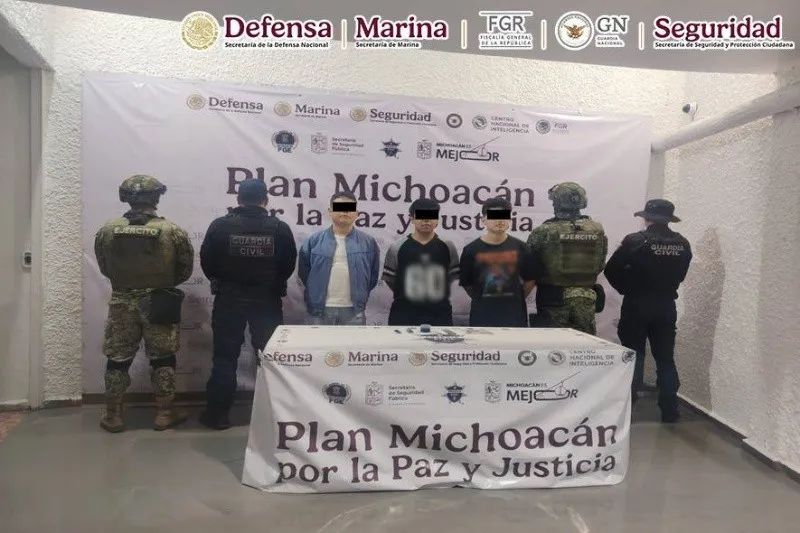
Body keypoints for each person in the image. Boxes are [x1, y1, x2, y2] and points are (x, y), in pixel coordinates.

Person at [94, 175, 194, 433]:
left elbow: (104, 267)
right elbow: (184, 270)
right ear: (156, 197)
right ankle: (164, 413)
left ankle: (113, 415)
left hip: (121, 301)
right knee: (163, 358)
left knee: (117, 359)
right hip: (159, 301)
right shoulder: (172, 231)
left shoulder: (107, 230)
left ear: (125, 197)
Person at [198, 179, 297, 430]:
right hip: (267, 301)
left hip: (229, 300)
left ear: (239, 199)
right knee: (270, 358)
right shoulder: (280, 228)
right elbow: (288, 265)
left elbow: (208, 263)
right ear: (265, 200)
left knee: (225, 358)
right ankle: (275, 417)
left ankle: (218, 415)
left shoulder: (220, 226)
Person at [604, 199, 692, 423]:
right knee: (665, 358)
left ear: (647, 218)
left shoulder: (635, 241)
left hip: (637, 304)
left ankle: (628, 410)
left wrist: (626, 288)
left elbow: (611, 270)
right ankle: (670, 411)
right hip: (666, 306)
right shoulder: (683, 244)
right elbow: (681, 275)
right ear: (669, 219)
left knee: (634, 356)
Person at [527, 182, 607, 334]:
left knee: (554, 345)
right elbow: (600, 264)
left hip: (552, 299)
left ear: (556, 202)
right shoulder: (597, 230)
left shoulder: (543, 231)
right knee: (585, 345)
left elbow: (529, 268)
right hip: (586, 297)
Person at [298, 191, 380, 325]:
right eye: (339, 208)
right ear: (330, 212)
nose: (344, 212)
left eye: (349, 208)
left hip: (354, 311)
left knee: (354, 341)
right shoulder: (313, 241)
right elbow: (304, 273)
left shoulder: (368, 243)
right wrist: (315, 292)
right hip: (319, 310)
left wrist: (360, 295)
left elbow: (372, 276)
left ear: (357, 214)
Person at [459, 197, 536, 327]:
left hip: (514, 317)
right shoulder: (471, 250)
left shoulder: (522, 248)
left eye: (504, 216)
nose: (499, 221)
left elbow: (530, 280)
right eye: (494, 216)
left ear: (510, 220)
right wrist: (483, 298)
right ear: (483, 220)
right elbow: (467, 284)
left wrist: (514, 298)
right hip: (482, 317)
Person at [382, 198, 460, 326]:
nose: (426, 220)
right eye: (421, 216)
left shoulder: (448, 246)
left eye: (431, 216)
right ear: (411, 219)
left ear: (437, 220)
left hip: (439, 315)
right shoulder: (397, 247)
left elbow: (451, 277)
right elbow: (391, 280)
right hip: (403, 315)